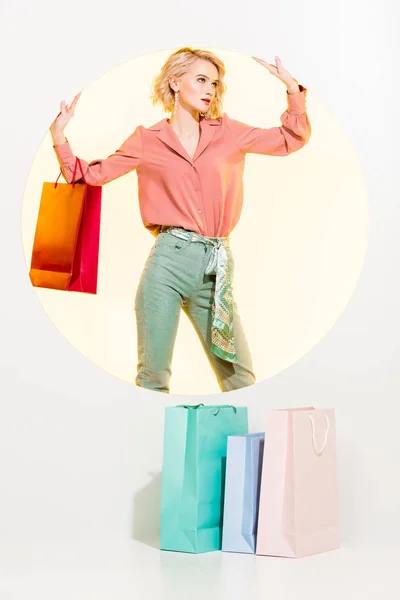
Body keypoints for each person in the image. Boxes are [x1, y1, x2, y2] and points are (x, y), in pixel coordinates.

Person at [49, 47, 311, 395]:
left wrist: (293, 92)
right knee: (153, 378)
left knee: (240, 379)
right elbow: (88, 176)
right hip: (167, 263)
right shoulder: (146, 140)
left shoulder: (229, 132)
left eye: (215, 84)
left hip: (215, 267)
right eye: (201, 80)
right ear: (174, 82)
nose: (209, 90)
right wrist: (59, 137)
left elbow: (290, 139)